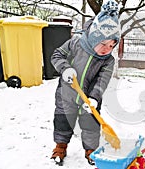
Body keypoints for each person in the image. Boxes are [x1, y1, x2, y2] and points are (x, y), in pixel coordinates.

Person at [50, 0, 121, 165]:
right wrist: (65, 68)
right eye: (103, 43)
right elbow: (57, 55)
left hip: (89, 99)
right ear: (95, 36)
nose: (106, 49)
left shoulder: (108, 61)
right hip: (65, 95)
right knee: (63, 121)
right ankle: (60, 147)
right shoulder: (76, 43)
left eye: (111, 45)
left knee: (91, 125)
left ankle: (91, 151)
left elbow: (103, 80)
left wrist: (94, 98)